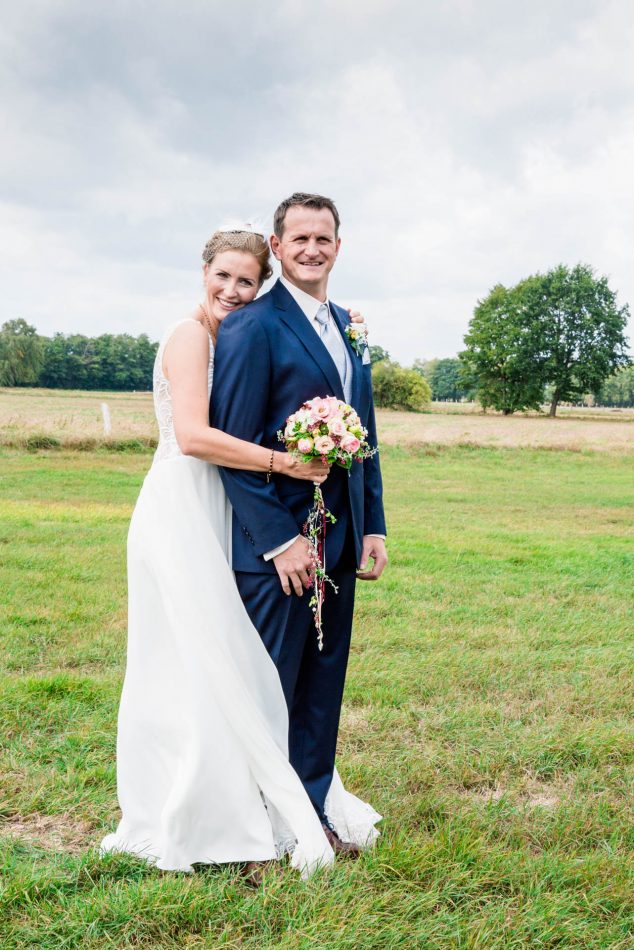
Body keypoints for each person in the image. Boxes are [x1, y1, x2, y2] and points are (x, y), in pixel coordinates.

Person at [100, 226, 377, 882]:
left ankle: (259, 814)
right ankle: (220, 820)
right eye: (222, 276)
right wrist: (288, 463)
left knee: (229, 665)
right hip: (184, 510)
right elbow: (194, 437)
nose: (232, 289)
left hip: (224, 508)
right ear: (203, 271)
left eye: (244, 281)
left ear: (263, 283)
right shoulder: (192, 335)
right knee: (204, 667)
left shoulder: (246, 332)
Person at [211, 193, 387, 857]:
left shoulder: (350, 325)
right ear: (278, 249)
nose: (313, 249)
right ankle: (251, 831)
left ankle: (309, 818)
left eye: (325, 238)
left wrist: (374, 526)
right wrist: (280, 541)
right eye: (300, 239)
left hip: (340, 543)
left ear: (338, 246)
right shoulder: (251, 327)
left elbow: (364, 436)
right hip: (276, 551)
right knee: (268, 695)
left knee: (320, 693)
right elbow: (231, 444)